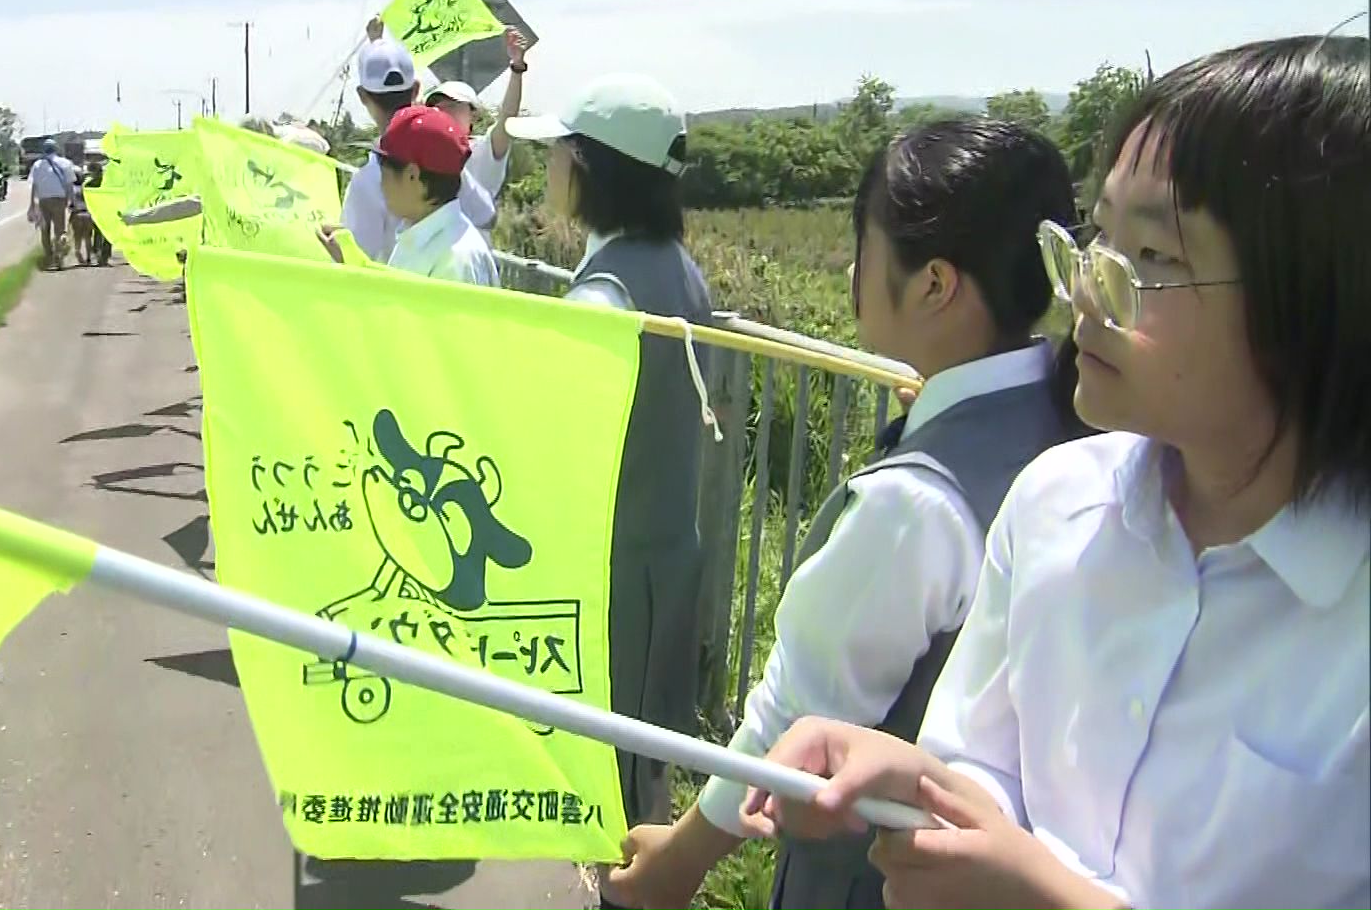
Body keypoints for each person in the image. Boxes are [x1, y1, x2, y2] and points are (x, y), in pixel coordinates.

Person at [743, 35, 1369, 910]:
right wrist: (922, 787)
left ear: (1321, 295)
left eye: (1153, 258)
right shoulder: (1055, 500)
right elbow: (984, 768)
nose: (1083, 292)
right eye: (1098, 237)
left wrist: (1043, 893)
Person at [606, 118, 1092, 910]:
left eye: (865, 248)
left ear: (934, 285)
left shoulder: (912, 505)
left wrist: (681, 859)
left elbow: (797, 712)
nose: (852, 271)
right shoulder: (1070, 420)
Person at [504, 73, 713, 844]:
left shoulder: (604, 297)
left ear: (593, 170)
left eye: (560, 153)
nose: (551, 167)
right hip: (664, 557)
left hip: (618, 575)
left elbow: (555, 441)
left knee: (615, 799)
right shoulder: (673, 265)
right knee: (641, 775)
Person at [321, 105, 499, 286]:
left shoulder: (456, 259)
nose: (381, 185)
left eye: (385, 174)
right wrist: (352, 262)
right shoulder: (425, 236)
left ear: (412, 175)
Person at [425, 27, 531, 231]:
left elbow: (508, 117)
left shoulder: (483, 151)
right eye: (437, 107)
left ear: (473, 114)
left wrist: (517, 68)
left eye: (452, 106)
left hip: (473, 246)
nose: (443, 112)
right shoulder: (424, 154)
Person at [338, 19, 424, 262]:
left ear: (362, 96)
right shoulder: (448, 158)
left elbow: (356, 261)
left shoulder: (368, 181)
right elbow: (486, 215)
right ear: (416, 90)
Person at [27, 139, 78, 271]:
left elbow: (34, 185)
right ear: (56, 149)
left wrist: (32, 204)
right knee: (60, 230)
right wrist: (72, 201)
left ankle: (48, 256)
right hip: (60, 200)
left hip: (43, 200)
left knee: (45, 230)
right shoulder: (65, 163)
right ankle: (59, 256)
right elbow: (70, 185)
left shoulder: (37, 165)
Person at [68, 159, 111, 267]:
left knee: (95, 235)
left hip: (95, 211)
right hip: (102, 210)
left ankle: (98, 255)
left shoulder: (88, 184)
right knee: (102, 235)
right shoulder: (107, 182)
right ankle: (101, 256)